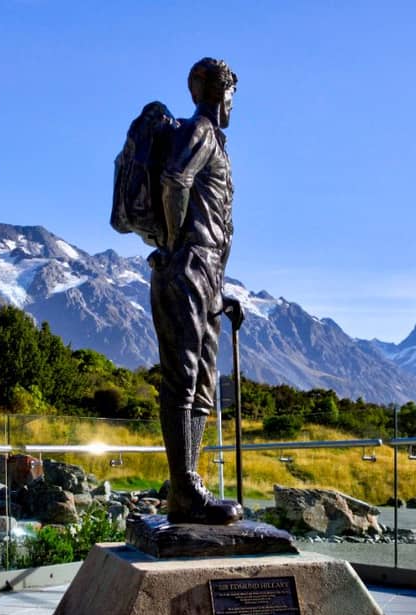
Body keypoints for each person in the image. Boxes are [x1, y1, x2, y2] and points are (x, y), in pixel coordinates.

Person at [149, 57, 244, 525]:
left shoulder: (215, 141)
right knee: (183, 377)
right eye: (229, 92)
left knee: (204, 383)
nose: (231, 102)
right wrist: (173, 244)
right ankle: (183, 488)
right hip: (188, 265)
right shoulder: (200, 132)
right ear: (215, 91)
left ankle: (191, 485)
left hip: (208, 274)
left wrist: (221, 293)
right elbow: (174, 181)